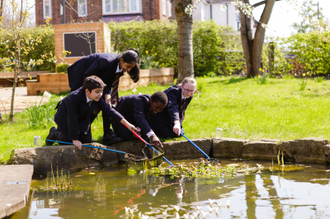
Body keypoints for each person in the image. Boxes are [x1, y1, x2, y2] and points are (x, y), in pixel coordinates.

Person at [67, 49, 140, 145]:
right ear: (121, 60)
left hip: (95, 80)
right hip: (80, 75)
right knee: (84, 107)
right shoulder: (106, 62)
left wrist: (107, 96)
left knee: (106, 104)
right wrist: (95, 94)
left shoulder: (120, 67)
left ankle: (107, 134)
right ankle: (71, 132)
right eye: (128, 66)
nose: (129, 70)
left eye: (131, 68)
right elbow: (88, 75)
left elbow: (108, 80)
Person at [46, 75, 139, 150]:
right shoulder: (75, 97)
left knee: (86, 140)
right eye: (97, 92)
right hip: (64, 117)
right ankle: (54, 133)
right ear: (87, 91)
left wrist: (128, 124)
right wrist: (74, 139)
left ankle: (73, 135)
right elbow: (72, 117)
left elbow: (110, 111)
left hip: (81, 117)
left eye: (101, 92)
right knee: (69, 139)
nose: (100, 95)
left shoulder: (97, 98)